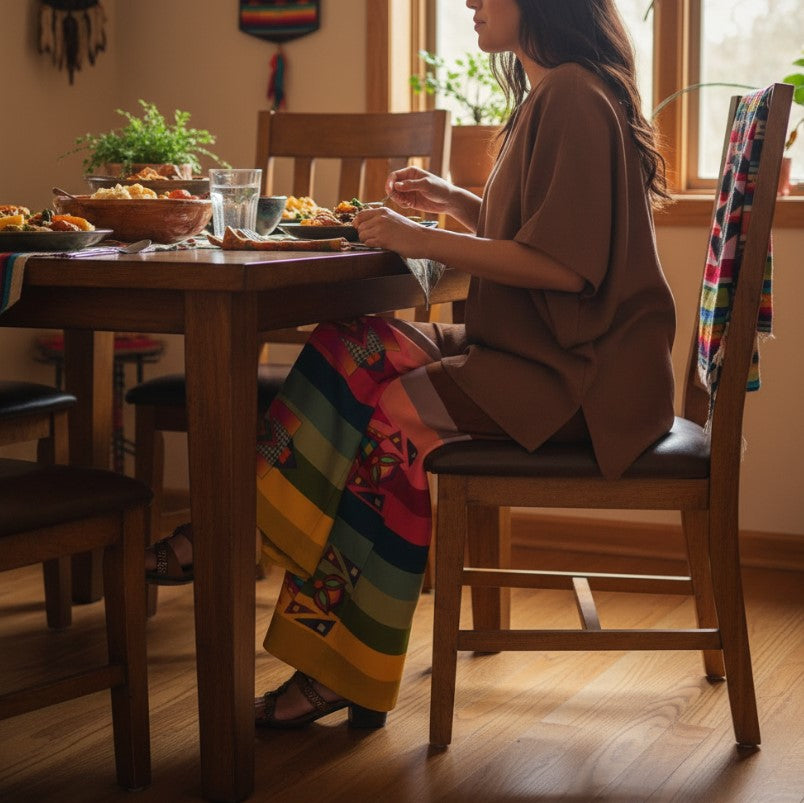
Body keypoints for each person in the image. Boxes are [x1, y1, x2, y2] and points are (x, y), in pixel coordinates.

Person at [146, 0, 676, 728]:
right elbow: (546, 231)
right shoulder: (554, 91)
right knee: (352, 343)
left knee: (394, 420)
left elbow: (565, 266)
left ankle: (334, 661)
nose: (469, 2)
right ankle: (243, 530)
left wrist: (418, 238)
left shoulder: (574, 94)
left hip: (579, 382)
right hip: (536, 353)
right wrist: (455, 202)